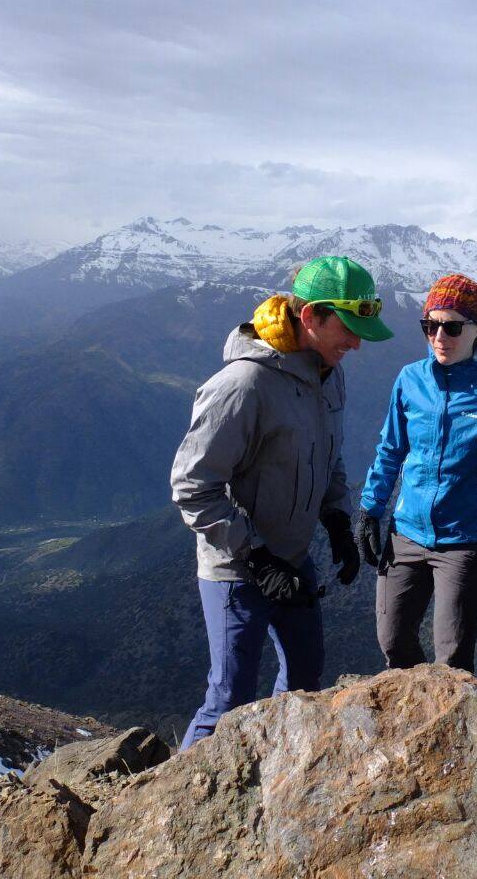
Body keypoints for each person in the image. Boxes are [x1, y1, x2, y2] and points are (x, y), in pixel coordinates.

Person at [171, 255, 393, 748]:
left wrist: (337, 517)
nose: (356, 343)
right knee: (229, 703)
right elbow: (192, 485)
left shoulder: (327, 374)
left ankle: (279, 786)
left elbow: (328, 455)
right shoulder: (243, 385)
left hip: (291, 563)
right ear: (311, 316)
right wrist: (254, 554)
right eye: (349, 329)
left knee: (303, 688)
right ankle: (175, 810)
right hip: (236, 569)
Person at [355, 274, 477, 674]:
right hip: (406, 532)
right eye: (430, 326)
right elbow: (391, 448)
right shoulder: (410, 379)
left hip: (466, 541)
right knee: (392, 641)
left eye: (452, 327)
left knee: (452, 658)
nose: (440, 336)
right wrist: (371, 510)